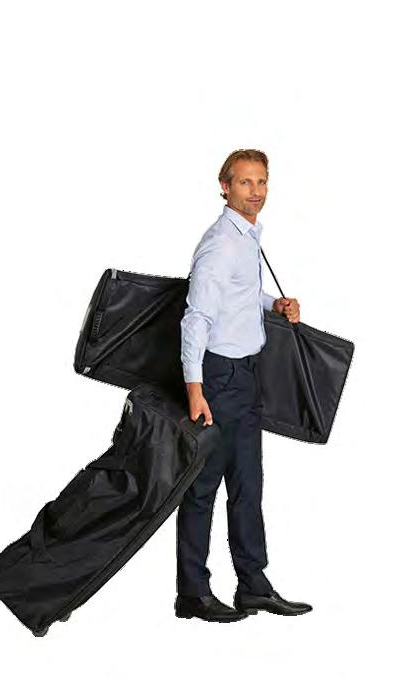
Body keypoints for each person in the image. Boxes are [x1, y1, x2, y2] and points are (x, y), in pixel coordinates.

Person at [175, 149, 312, 623]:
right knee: (202, 488)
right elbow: (196, 318)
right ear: (225, 187)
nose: (256, 191)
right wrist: (195, 388)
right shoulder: (220, 244)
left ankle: (253, 586)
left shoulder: (247, 237)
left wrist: (274, 304)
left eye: (262, 181)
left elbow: (240, 292)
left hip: (246, 377)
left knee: (248, 486)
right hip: (217, 379)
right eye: (245, 182)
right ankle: (193, 594)